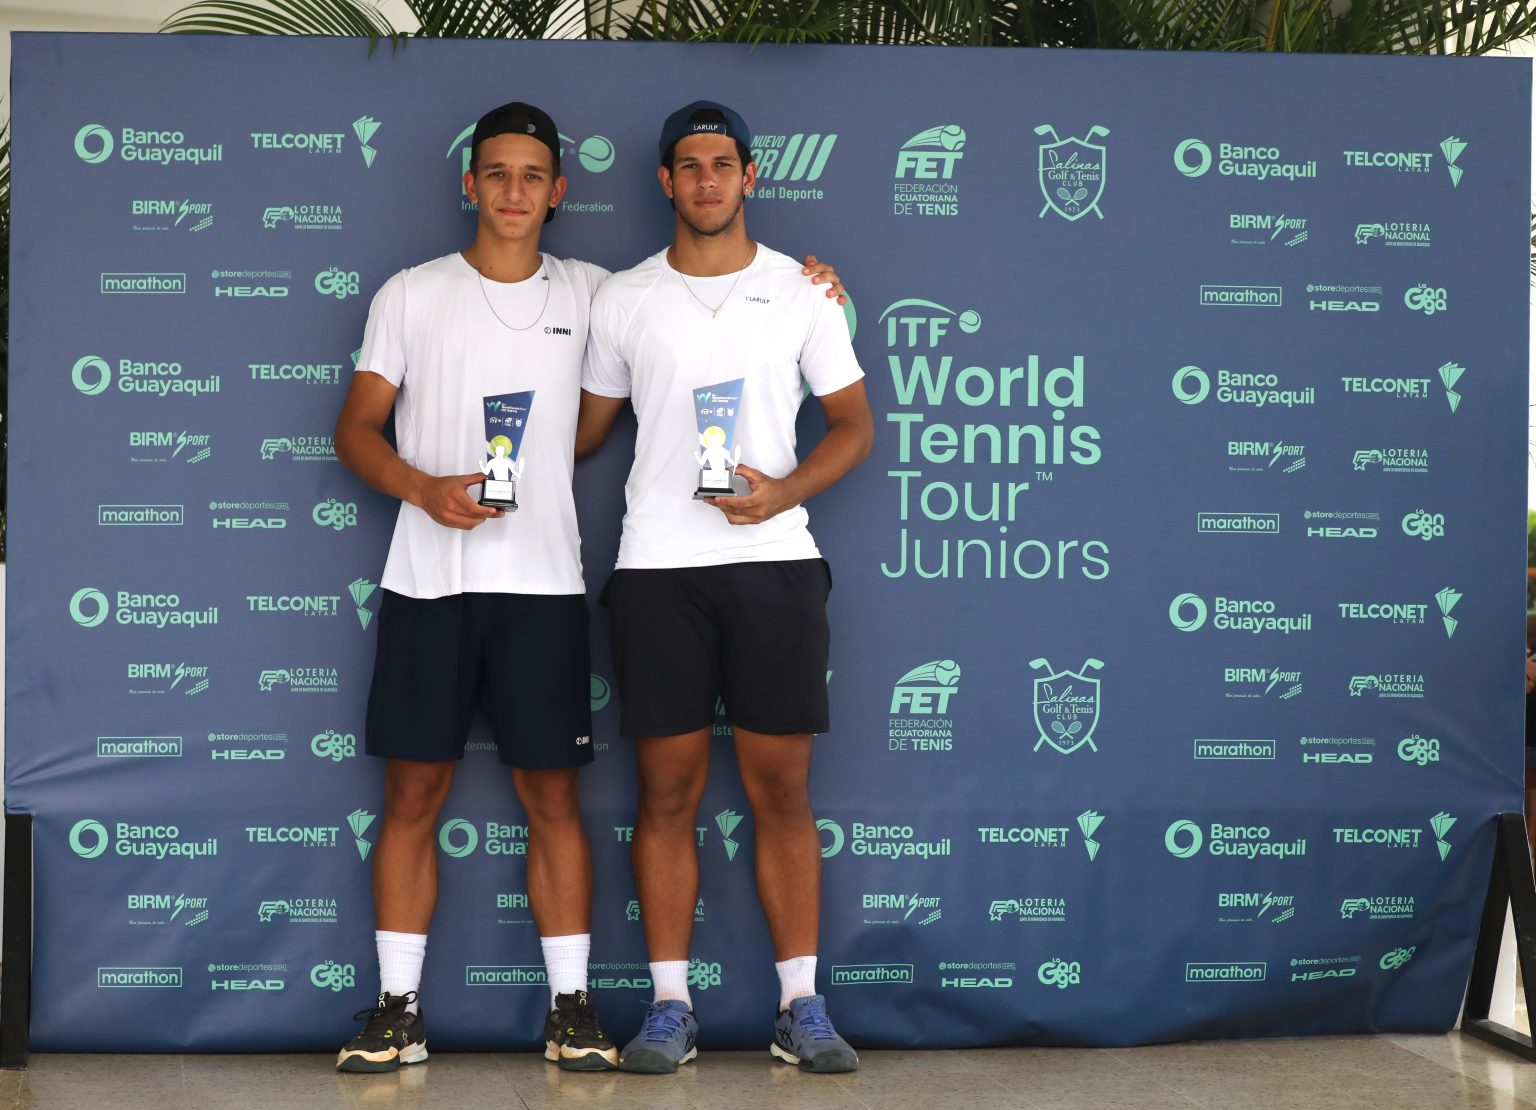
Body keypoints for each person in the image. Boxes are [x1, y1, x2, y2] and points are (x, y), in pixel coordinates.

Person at [332, 100, 846, 1076]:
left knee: (553, 799)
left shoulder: (603, 293)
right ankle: (397, 1009)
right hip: (425, 579)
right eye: (497, 173)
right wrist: (423, 487)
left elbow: (709, 300)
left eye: (533, 175)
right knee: (411, 792)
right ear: (469, 184)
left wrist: (818, 283)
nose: (514, 191)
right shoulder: (410, 294)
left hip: (544, 584)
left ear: (559, 191)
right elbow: (355, 429)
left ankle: (571, 1008)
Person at [576, 100, 875, 1075]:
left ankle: (800, 1006)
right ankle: (671, 1006)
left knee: (781, 789)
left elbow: (854, 426)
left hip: (774, 562)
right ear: (665, 181)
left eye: (723, 164)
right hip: (658, 570)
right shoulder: (622, 298)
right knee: (665, 793)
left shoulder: (803, 290)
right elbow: (582, 432)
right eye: (689, 165)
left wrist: (782, 491)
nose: (706, 180)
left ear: (750, 176)